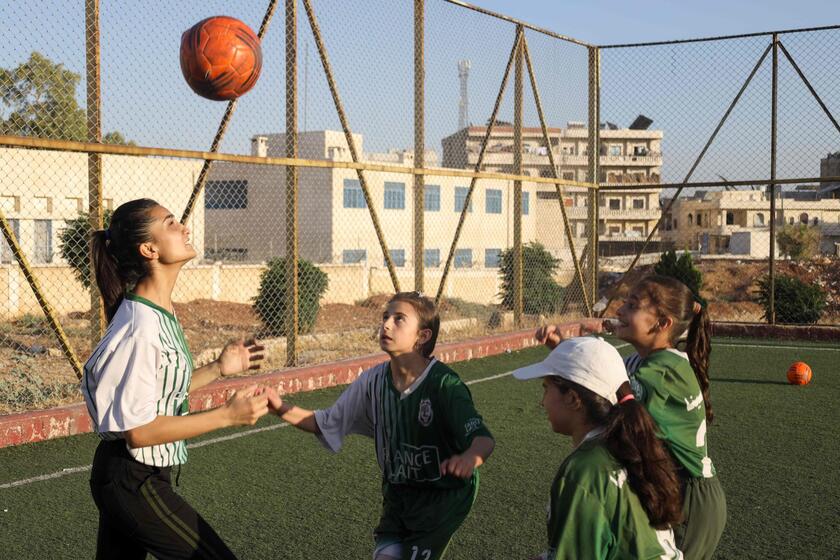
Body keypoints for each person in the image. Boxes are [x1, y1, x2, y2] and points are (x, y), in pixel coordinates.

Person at [82, 198, 269, 559]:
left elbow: (158, 391)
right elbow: (139, 430)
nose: (184, 228)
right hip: (133, 480)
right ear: (149, 249)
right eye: (170, 224)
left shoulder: (158, 310)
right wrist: (226, 415)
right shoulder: (140, 327)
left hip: (135, 476)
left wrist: (218, 368)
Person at [266, 291, 495, 560]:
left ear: (422, 336)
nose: (386, 324)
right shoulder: (372, 382)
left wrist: (469, 458)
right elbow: (324, 422)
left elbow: (483, 439)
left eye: (399, 319)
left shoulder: (445, 385)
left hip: (442, 499)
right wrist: (278, 407)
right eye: (385, 317)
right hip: (398, 496)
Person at [535, 275, 726, 559]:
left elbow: (607, 391)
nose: (620, 310)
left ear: (662, 324)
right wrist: (565, 349)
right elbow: (599, 380)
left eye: (633, 305)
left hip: (691, 495)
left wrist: (569, 353)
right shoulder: (642, 362)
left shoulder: (667, 370)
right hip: (671, 483)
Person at [513, 337, 684, 560]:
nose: (542, 402)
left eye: (546, 389)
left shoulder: (584, 470)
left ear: (574, 399)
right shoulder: (629, 447)